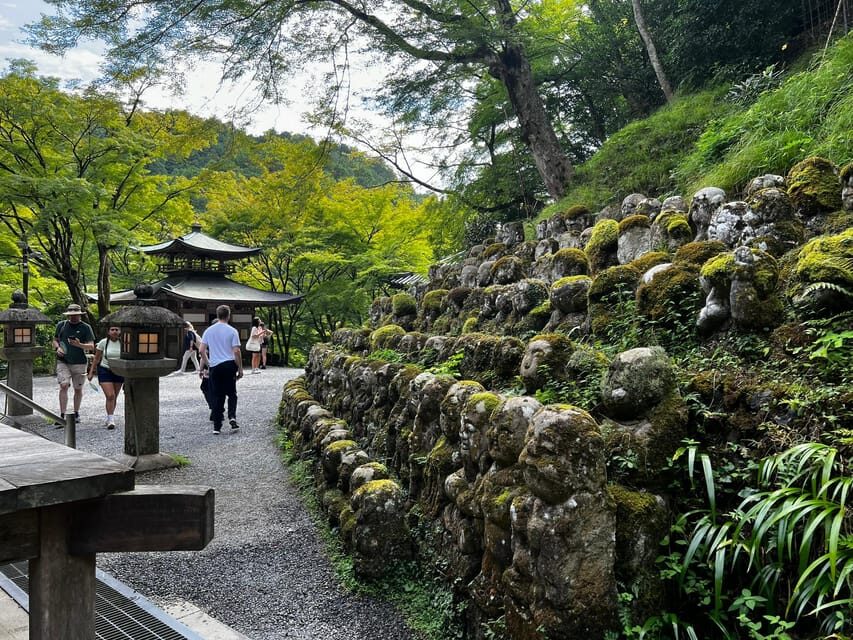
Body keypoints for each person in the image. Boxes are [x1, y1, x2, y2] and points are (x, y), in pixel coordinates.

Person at [199, 305, 243, 434]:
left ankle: (217, 427)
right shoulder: (232, 331)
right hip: (229, 365)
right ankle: (232, 417)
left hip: (215, 366)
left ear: (217, 315)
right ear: (229, 315)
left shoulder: (209, 331)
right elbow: (236, 351)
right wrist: (240, 368)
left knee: (217, 395)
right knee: (232, 394)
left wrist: (209, 363)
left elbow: (201, 350)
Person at [52, 303, 95, 424]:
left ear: (79, 315)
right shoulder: (61, 325)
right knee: (64, 385)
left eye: (75, 315)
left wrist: (79, 345)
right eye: (70, 315)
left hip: (80, 362)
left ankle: (76, 412)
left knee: (78, 388)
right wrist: (57, 348)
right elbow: (55, 340)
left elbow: (91, 346)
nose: (73, 317)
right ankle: (62, 414)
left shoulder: (86, 327)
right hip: (63, 361)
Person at [87, 325, 124, 430]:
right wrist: (91, 372)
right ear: (108, 332)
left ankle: (110, 416)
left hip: (119, 370)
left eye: (117, 329)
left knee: (114, 396)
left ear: (120, 331)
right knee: (110, 395)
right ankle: (111, 420)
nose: (115, 332)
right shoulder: (103, 342)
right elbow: (96, 358)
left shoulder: (124, 342)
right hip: (105, 370)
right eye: (112, 330)